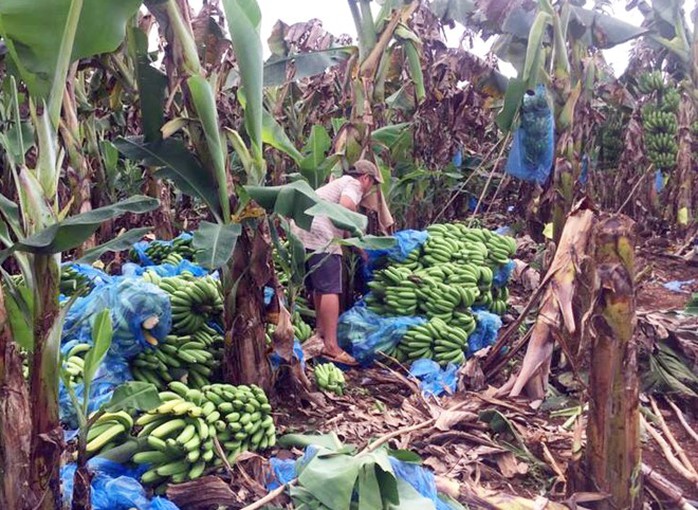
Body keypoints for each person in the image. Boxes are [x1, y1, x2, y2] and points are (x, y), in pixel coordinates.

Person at [292, 160, 384, 365]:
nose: (370, 189)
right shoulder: (353, 184)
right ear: (366, 178)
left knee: (319, 287)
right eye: (372, 183)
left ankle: (321, 334)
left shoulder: (336, 184)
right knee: (331, 289)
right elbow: (345, 207)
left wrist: (358, 247)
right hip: (320, 232)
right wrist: (359, 230)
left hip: (303, 228)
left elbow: (341, 220)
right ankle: (332, 346)